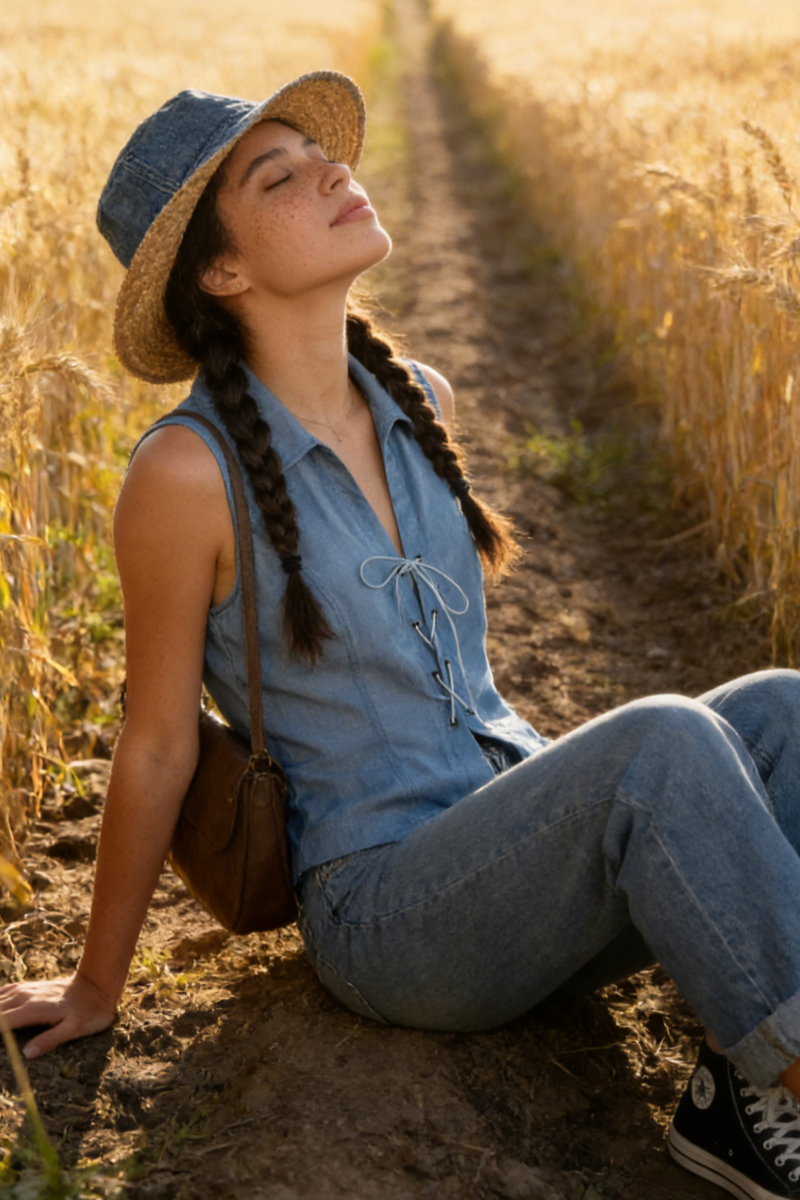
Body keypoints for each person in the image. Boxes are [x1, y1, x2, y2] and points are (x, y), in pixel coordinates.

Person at [1, 68, 800, 1200]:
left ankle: (742, 1089)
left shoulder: (416, 395)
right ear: (221, 271)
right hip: (388, 916)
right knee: (661, 743)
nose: (333, 172)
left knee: (781, 706)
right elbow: (157, 745)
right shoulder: (185, 473)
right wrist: (95, 986)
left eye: (321, 156)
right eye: (279, 176)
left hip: (511, 862)